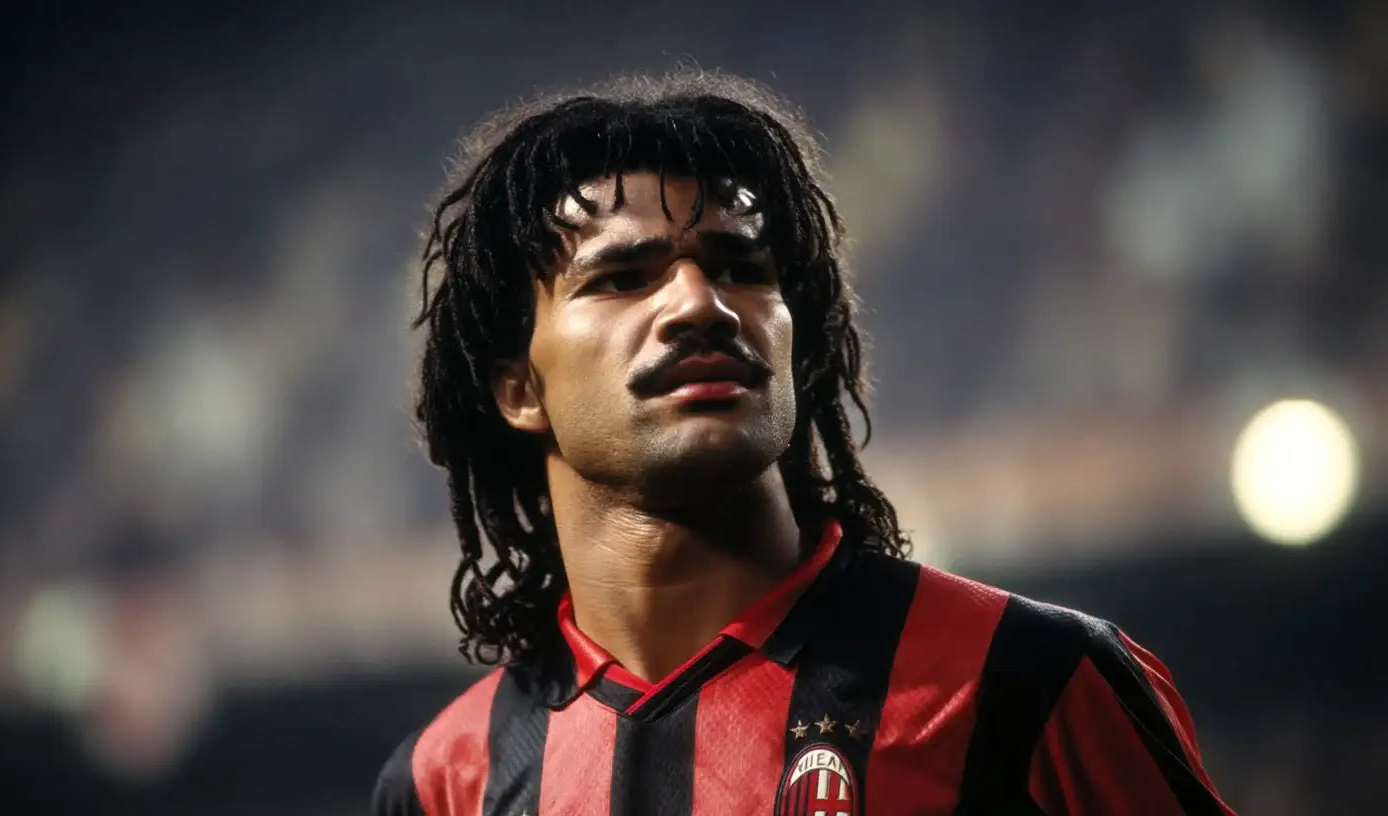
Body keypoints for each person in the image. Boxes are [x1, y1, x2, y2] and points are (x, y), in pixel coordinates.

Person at [372, 68, 1233, 816]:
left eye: (742, 269)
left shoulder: (1028, 677)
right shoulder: (445, 780)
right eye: (622, 278)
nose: (700, 304)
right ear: (520, 390)